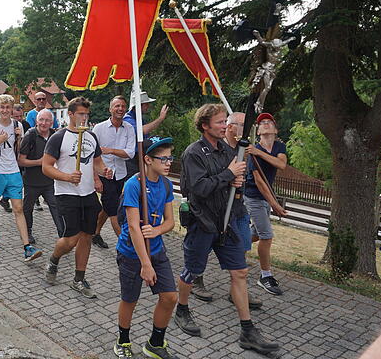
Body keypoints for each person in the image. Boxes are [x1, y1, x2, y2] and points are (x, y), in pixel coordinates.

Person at [174, 104, 279, 355]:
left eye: (225, 122)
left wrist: (236, 181)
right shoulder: (193, 153)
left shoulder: (227, 151)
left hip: (227, 222)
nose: (225, 126)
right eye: (220, 122)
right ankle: (182, 308)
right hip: (203, 223)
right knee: (192, 270)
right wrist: (228, 174)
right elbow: (197, 189)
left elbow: (230, 182)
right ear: (205, 125)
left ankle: (248, 330)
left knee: (240, 272)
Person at [114, 137, 178, 359]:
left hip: (157, 249)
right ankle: (123, 340)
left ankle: (155, 343)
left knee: (170, 297)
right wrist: (145, 264)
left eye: (171, 157)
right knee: (130, 300)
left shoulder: (166, 184)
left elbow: (170, 222)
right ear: (148, 160)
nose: (169, 162)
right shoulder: (134, 185)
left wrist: (157, 231)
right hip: (132, 253)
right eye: (164, 158)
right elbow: (133, 226)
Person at [42, 97, 113, 298]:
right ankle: (54, 259)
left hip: (88, 193)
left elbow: (96, 161)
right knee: (71, 239)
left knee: (86, 236)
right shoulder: (58, 137)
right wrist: (66, 176)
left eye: (86, 114)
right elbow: (46, 167)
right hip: (66, 193)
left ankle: (79, 279)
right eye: (80, 114)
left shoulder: (91, 137)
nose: (84, 118)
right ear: (71, 114)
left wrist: (104, 171)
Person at [192, 112, 264, 308]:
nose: (246, 129)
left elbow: (242, 180)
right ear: (232, 127)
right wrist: (230, 175)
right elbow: (200, 186)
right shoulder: (202, 152)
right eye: (241, 125)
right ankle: (192, 281)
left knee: (240, 252)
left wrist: (237, 179)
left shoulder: (240, 151)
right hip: (211, 214)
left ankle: (238, 291)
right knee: (201, 252)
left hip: (237, 209)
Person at [0, 94, 43, 262]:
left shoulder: (17, 124)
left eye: (8, 107)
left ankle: (27, 247)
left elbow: (19, 149)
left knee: (18, 209)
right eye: (2, 107)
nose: (5, 110)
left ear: (12, 109)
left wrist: (20, 137)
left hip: (13, 171)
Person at [244, 112, 287, 295]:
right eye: (263, 123)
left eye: (270, 122)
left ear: (275, 130)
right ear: (258, 130)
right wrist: (275, 205)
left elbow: (281, 164)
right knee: (266, 235)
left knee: (254, 233)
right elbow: (260, 182)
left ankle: (234, 250)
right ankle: (265, 276)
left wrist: (259, 152)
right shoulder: (251, 152)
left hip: (264, 198)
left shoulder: (278, 146)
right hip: (254, 196)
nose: (266, 124)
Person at [92, 96, 136, 249]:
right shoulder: (99, 128)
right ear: (110, 109)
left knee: (109, 206)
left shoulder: (129, 128)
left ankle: (95, 233)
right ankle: (125, 246)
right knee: (114, 212)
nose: (120, 109)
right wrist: (96, 179)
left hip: (121, 174)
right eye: (117, 106)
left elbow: (130, 153)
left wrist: (111, 150)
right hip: (104, 174)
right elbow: (91, 155)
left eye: (123, 106)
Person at [18, 109, 59, 245]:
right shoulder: (30, 135)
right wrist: (40, 162)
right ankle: (28, 232)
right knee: (27, 208)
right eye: (41, 120)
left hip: (50, 181)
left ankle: (63, 234)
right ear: (36, 121)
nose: (44, 123)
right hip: (32, 181)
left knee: (56, 207)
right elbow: (21, 161)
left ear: (52, 122)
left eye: (47, 120)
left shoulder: (55, 135)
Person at [123, 91, 169, 176]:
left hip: (140, 157)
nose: (148, 107)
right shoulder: (127, 119)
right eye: (146, 104)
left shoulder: (140, 119)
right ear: (139, 105)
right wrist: (160, 118)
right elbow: (142, 131)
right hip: (132, 160)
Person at [0, 103, 32, 213]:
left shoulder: (25, 125)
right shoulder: (6, 125)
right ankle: (5, 198)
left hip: (22, 156)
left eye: (21, 116)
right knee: (13, 182)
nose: (19, 119)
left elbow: (26, 141)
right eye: (16, 116)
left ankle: (9, 199)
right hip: (10, 159)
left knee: (22, 181)